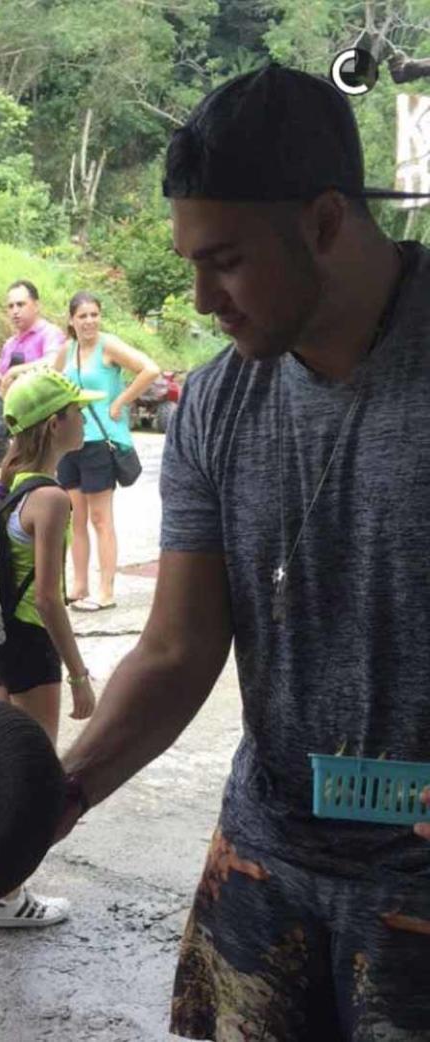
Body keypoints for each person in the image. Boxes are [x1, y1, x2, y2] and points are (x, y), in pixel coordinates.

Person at [54, 64, 430, 1038]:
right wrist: (56, 800)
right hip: (267, 863)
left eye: (223, 260)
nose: (200, 297)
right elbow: (178, 651)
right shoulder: (220, 404)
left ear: (322, 221)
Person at [0, 368, 98, 928]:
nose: (84, 416)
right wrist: (78, 673)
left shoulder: (9, 482)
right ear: (56, 424)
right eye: (76, 409)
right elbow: (50, 600)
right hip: (30, 645)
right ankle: (7, 896)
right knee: (29, 777)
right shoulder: (50, 498)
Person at [53, 292, 161, 610]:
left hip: (101, 441)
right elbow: (53, 382)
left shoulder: (108, 346)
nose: (89, 321)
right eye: (82, 316)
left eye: (94, 315)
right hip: (70, 444)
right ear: (71, 320)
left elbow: (149, 369)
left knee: (101, 518)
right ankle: (80, 585)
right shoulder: (67, 351)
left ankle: (106, 590)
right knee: (76, 519)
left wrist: (120, 401)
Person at [0, 280, 64, 394]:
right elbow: (1, 374)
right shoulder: (9, 344)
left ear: (36, 306)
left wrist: (15, 371)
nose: (15, 311)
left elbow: (53, 363)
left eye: (20, 304)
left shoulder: (50, 333)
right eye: (10, 306)